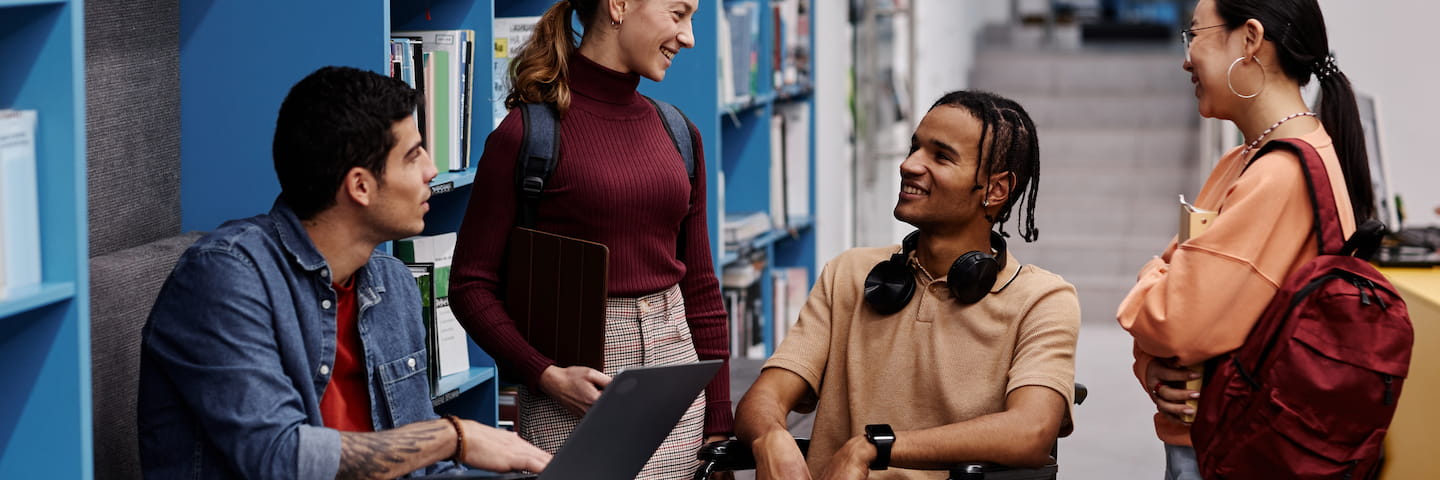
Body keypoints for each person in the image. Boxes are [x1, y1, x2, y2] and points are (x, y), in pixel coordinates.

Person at [137, 66, 551, 479]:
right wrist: (451, 438)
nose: (431, 170)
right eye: (413, 155)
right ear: (360, 187)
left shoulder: (393, 284)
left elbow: (419, 469)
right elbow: (278, 458)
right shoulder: (225, 278)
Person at [448, 0, 731, 478]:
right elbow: (469, 285)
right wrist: (546, 375)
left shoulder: (680, 133)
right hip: (574, 397)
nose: (689, 38)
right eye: (678, 14)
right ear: (618, 6)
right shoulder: (525, 134)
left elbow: (701, 289)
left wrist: (719, 424)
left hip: (677, 389)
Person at [733, 91, 1080, 480]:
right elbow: (764, 398)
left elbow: (1031, 432)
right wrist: (770, 436)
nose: (909, 164)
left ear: (996, 190)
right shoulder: (847, 273)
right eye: (914, 147)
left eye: (941, 156)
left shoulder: (1043, 300)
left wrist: (873, 447)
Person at [1116, 0, 1375, 478]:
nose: (1186, 57)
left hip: (1227, 452)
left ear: (1250, 39)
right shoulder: (1246, 161)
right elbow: (1177, 318)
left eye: (1194, 34)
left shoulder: (1277, 176)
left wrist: (1151, 278)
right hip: (1219, 442)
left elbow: (1172, 318)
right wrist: (1152, 364)